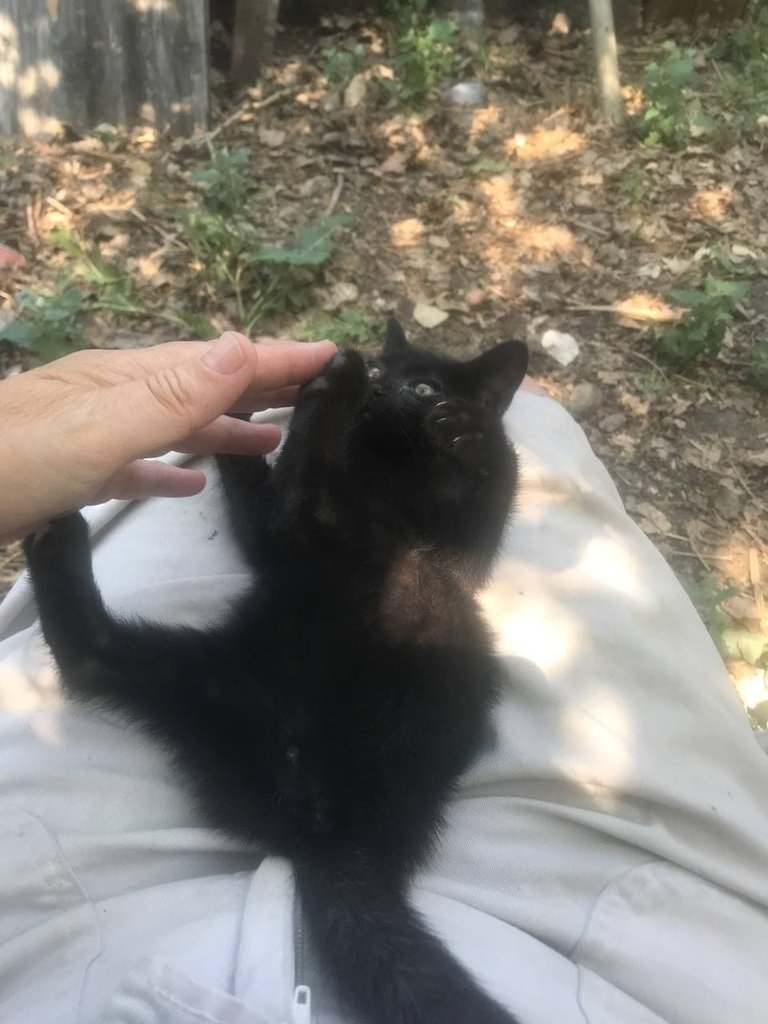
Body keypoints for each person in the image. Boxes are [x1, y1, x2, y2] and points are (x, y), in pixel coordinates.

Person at [0, 331, 767, 1024]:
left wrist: (464, 450)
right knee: (380, 564)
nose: (397, 391)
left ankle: (71, 592)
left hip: (310, 741)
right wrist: (239, 454)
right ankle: (88, 619)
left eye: (429, 390)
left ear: (482, 407)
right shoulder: (384, 501)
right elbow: (282, 539)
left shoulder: (434, 490)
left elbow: (378, 539)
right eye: (393, 377)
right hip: (341, 729)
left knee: (392, 573)